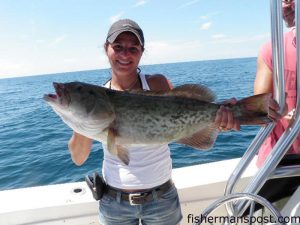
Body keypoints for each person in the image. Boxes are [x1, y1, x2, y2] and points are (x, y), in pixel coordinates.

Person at [67, 19, 259, 225]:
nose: (125, 54)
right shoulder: (96, 98)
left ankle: (256, 111)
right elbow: (79, 158)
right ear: (107, 49)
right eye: (118, 46)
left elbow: (185, 112)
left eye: (133, 48)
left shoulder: (156, 83)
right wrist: (82, 119)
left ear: (142, 52)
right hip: (115, 203)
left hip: (162, 199)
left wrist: (222, 118)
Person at [254, 0, 299, 168]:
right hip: (279, 157)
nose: (285, 6)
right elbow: (259, 110)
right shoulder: (271, 50)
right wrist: (271, 110)